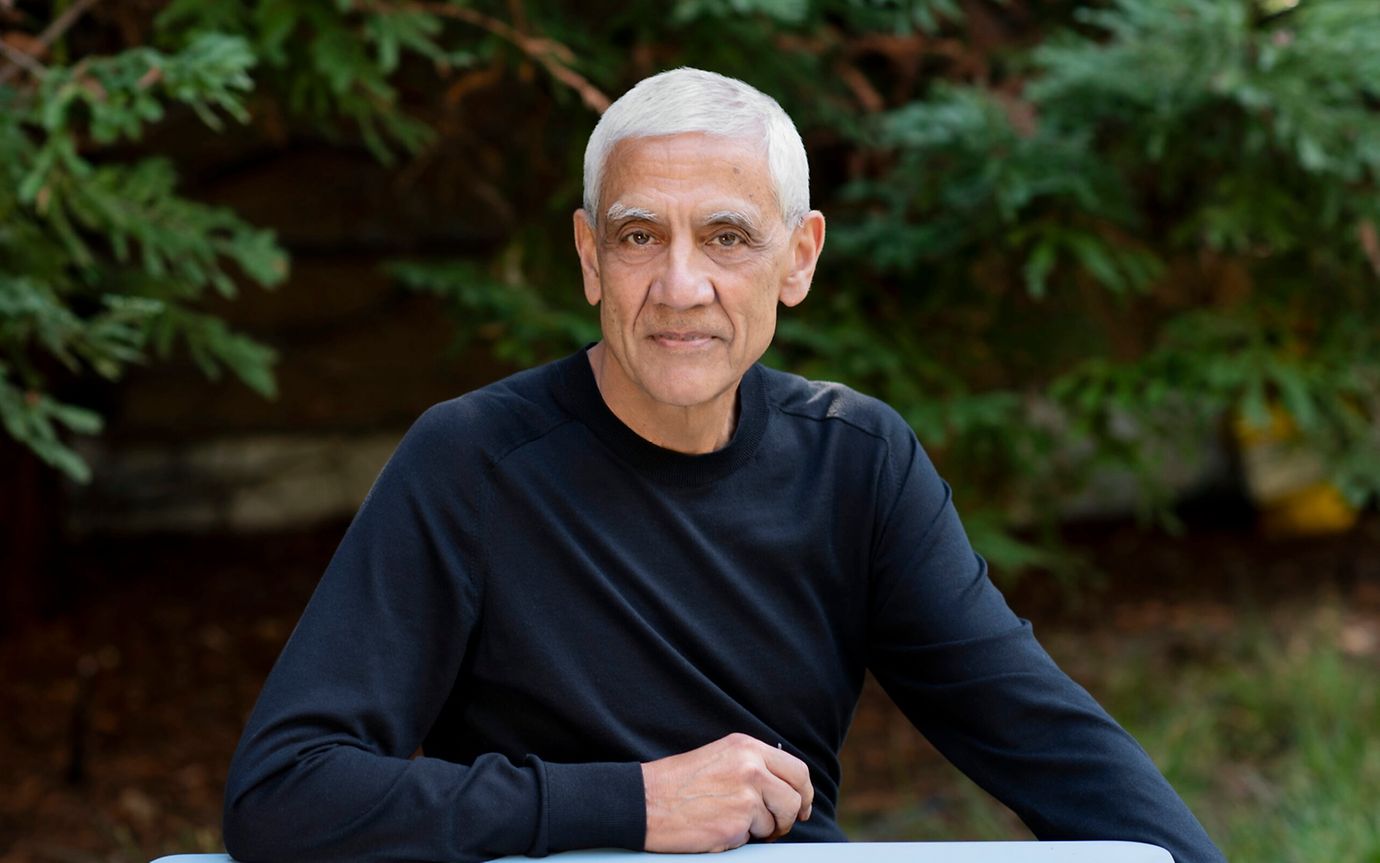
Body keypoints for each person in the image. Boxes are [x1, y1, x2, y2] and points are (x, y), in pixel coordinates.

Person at [222, 68, 1226, 863]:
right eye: (637, 235)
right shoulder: (473, 463)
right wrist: (635, 801)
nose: (680, 283)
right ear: (587, 258)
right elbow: (286, 794)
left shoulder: (857, 461)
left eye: (728, 236)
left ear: (798, 258)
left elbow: (1052, 744)